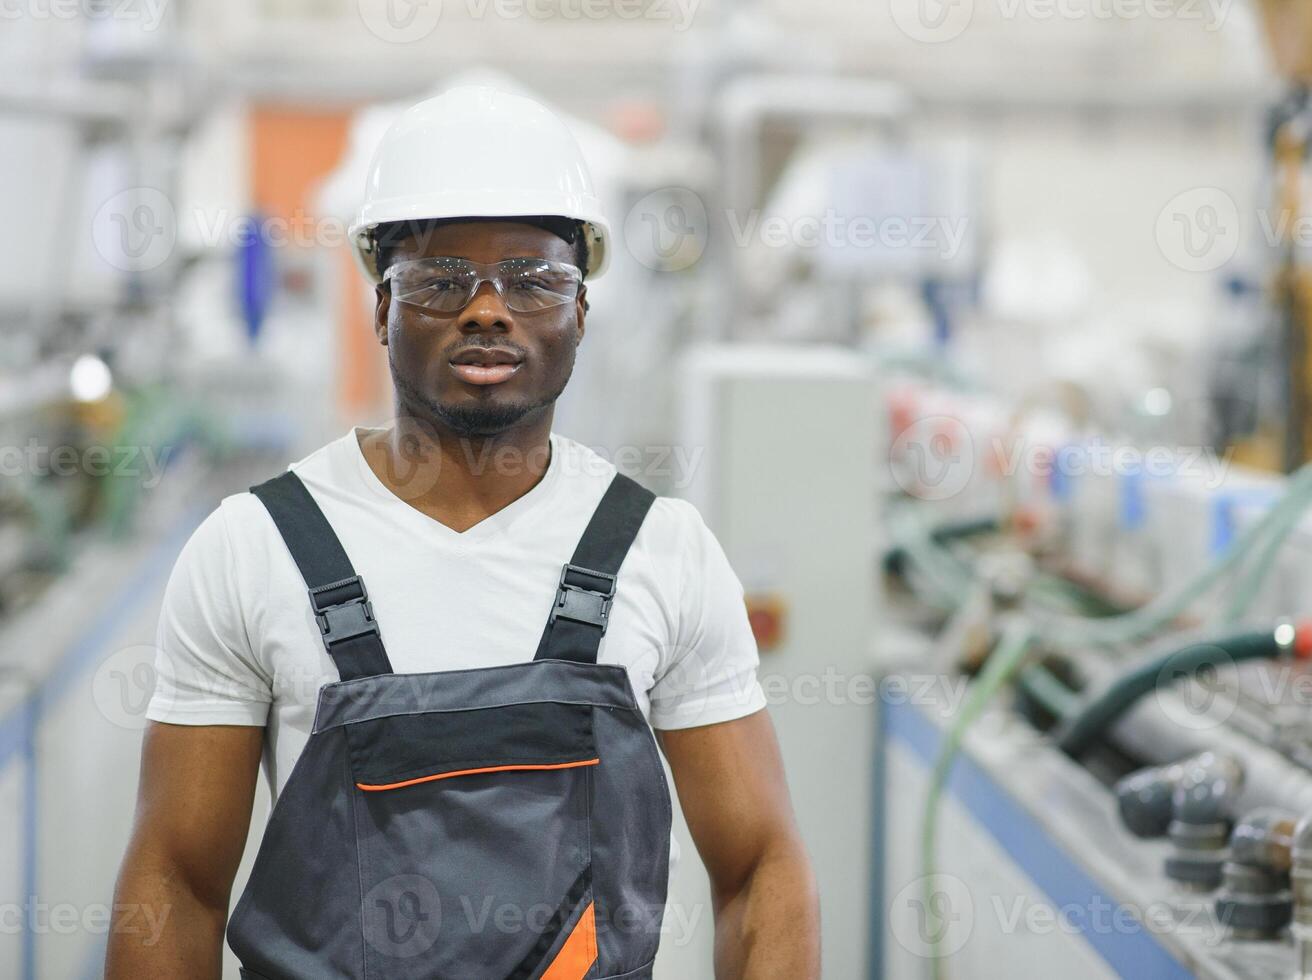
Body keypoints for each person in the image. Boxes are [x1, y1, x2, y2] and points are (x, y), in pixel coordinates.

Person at [106, 86, 818, 980]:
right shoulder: (255, 548)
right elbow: (175, 886)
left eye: (534, 279)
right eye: (442, 280)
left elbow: (763, 869)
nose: (488, 309)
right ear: (380, 309)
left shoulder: (659, 551)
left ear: (582, 311)